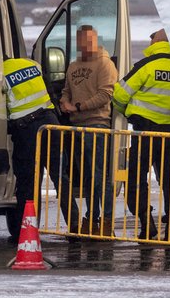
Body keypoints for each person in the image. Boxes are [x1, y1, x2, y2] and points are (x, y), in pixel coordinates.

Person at [113, 29, 170, 242]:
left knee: (136, 179)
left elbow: (119, 94)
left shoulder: (147, 65)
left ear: (155, 41)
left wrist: (126, 113)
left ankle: (147, 224)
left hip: (144, 132)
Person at [5, 58, 80, 238]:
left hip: (27, 130)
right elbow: (51, 94)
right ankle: (75, 226)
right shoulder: (32, 64)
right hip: (50, 125)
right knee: (61, 177)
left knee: (29, 181)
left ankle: (28, 231)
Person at [60, 25, 118, 237]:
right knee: (86, 176)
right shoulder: (73, 66)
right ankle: (91, 217)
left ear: (96, 40)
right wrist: (64, 102)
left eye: (89, 40)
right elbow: (66, 90)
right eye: (81, 41)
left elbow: (106, 94)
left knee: (99, 175)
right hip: (76, 126)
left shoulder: (105, 64)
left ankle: (107, 219)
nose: (85, 45)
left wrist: (78, 107)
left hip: (96, 125)